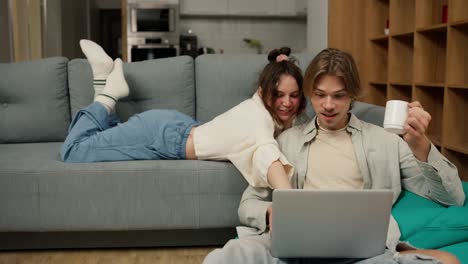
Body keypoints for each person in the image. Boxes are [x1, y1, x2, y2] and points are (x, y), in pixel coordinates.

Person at [203, 48, 465, 264]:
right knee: (224, 258)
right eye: (319, 95)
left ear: (352, 96)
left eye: (338, 96)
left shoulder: (387, 142)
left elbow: (452, 197)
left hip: (363, 254)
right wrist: (270, 211)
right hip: (292, 249)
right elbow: (247, 204)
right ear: (309, 94)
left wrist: (421, 145)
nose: (328, 105)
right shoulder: (286, 141)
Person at [60, 40, 307, 189]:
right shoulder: (259, 122)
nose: (286, 103)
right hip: (160, 137)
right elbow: (268, 155)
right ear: (263, 92)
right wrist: (289, 201)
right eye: (278, 95)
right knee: (74, 150)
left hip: (175, 129)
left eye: (293, 95)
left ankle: (102, 79)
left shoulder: (261, 107)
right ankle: (107, 93)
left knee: (103, 139)